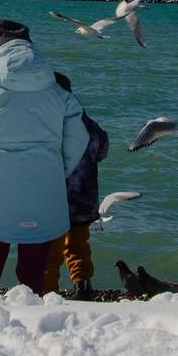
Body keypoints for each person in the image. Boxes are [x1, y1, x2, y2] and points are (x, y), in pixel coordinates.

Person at [0, 20, 89, 297]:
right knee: (35, 258)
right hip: (44, 183)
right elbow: (78, 138)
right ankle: (31, 310)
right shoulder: (57, 92)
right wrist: (59, 170)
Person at [41, 71, 110, 299]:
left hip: (57, 198)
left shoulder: (51, 121)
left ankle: (48, 292)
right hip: (85, 198)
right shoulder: (87, 121)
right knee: (79, 245)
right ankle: (83, 286)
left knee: (51, 251)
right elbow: (102, 149)